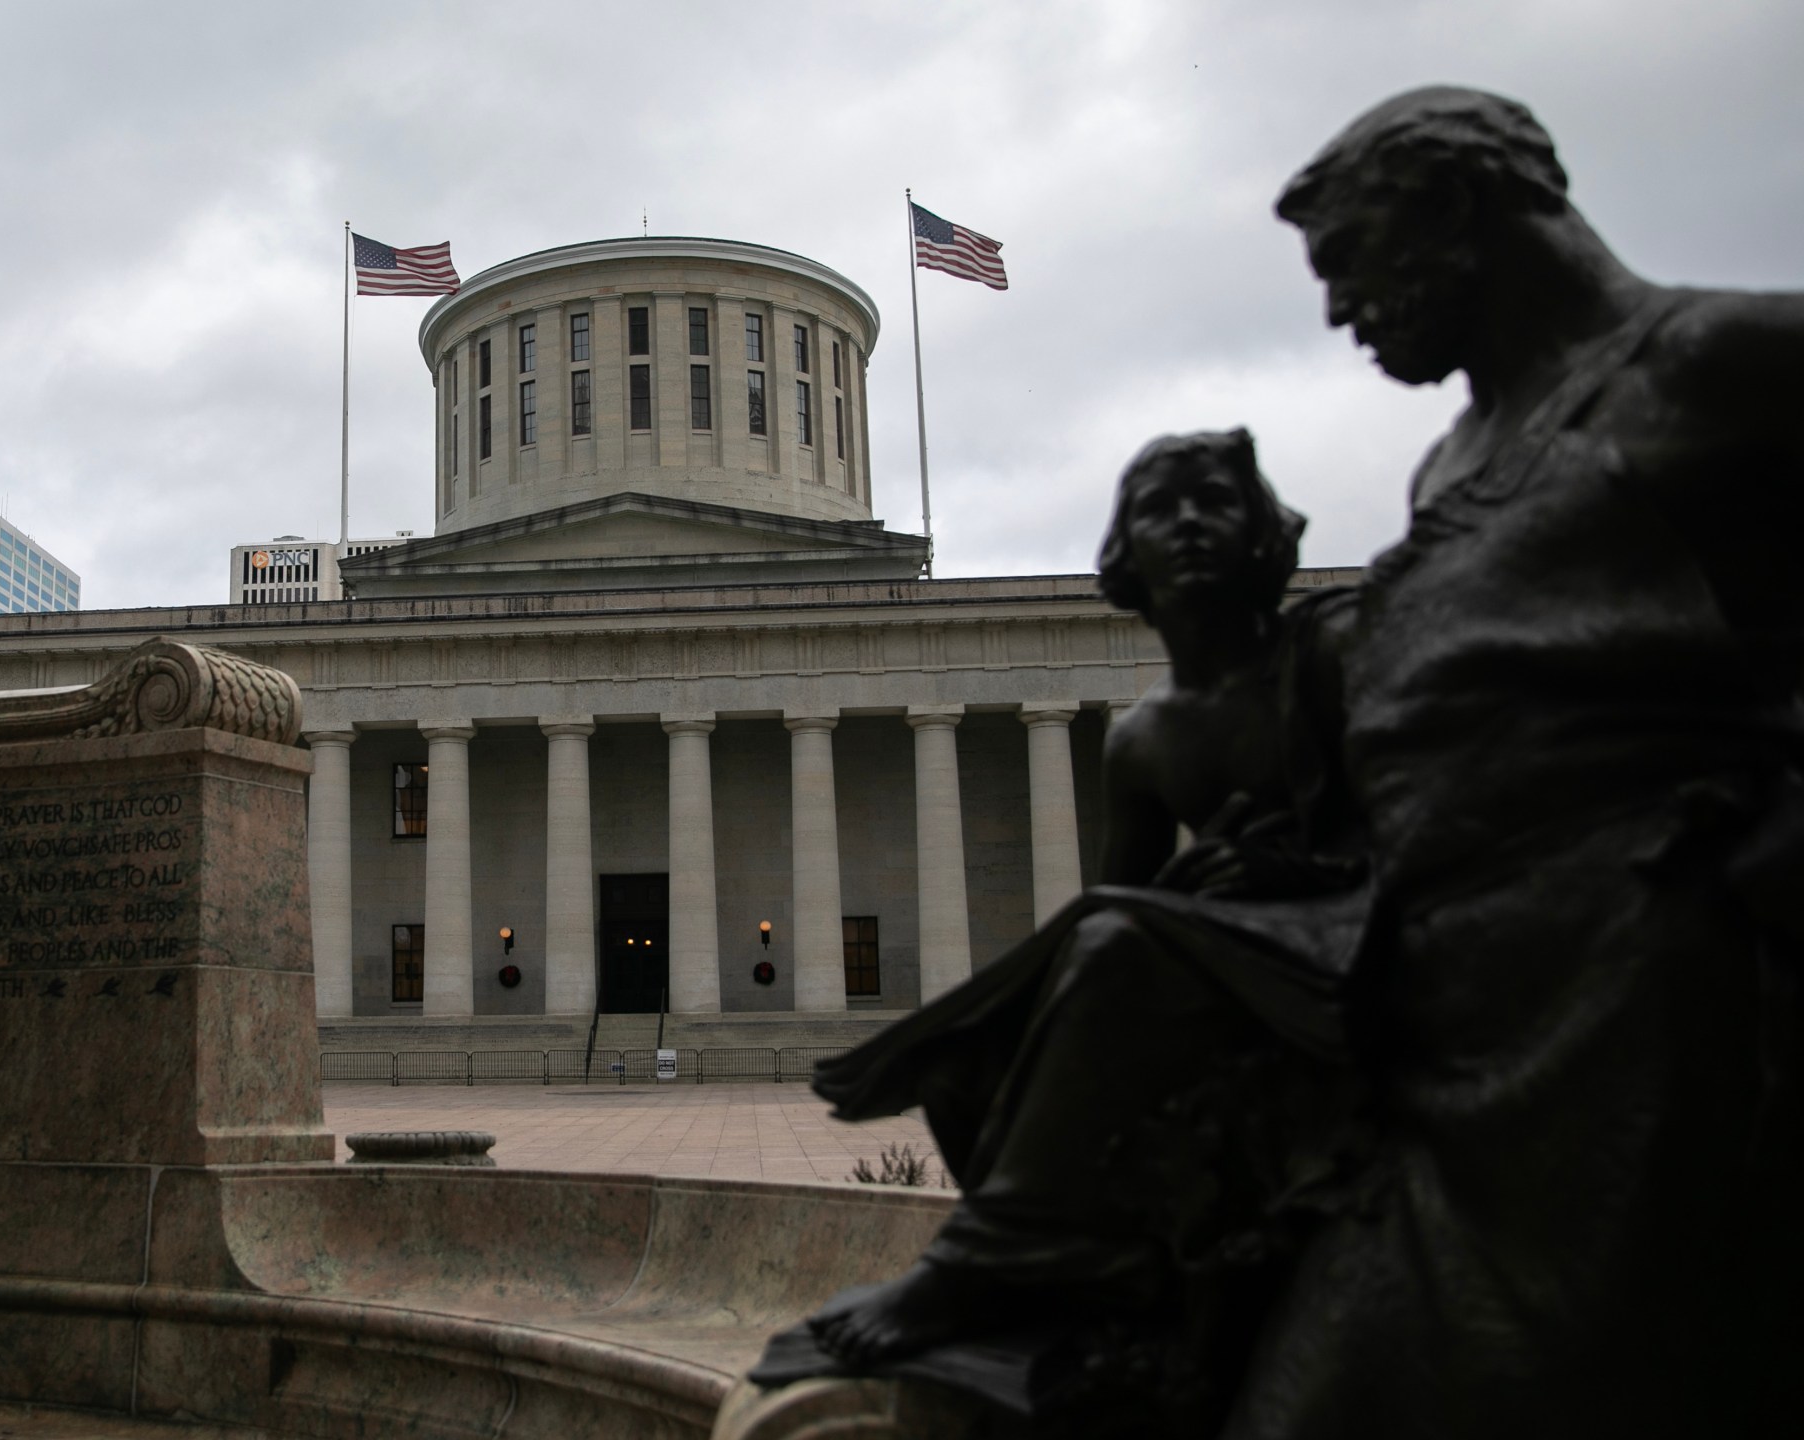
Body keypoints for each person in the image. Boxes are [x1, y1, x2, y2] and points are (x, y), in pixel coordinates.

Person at [1218, 86, 1804, 1439]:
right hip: (1457, 1023)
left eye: (1349, 259)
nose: (1337, 312)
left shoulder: (1716, 364)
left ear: (1458, 208)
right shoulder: (1453, 463)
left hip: (1648, 1018)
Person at [756, 432, 1371, 1432]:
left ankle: (974, 1268)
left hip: (1345, 941)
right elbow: (1110, 904)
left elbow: (1428, 814)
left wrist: (1285, 868)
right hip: (1224, 959)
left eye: (1213, 500)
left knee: (1113, 952)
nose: (1187, 528)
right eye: (1157, 511)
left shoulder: (1340, 651)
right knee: (966, 1063)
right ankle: (1071, 1284)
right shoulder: (1145, 738)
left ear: (1264, 533)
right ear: (1127, 560)